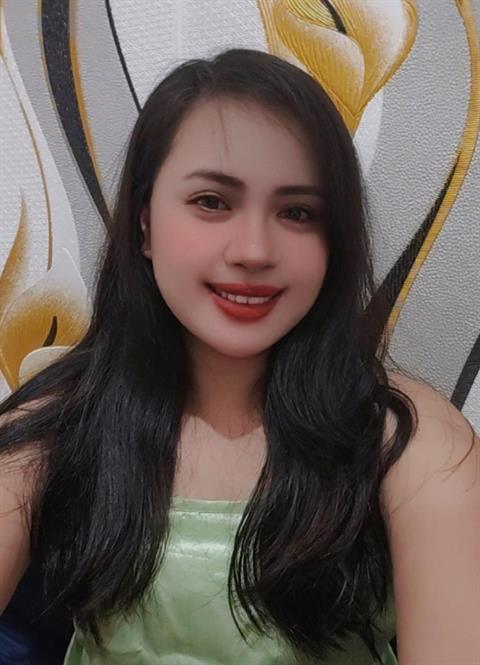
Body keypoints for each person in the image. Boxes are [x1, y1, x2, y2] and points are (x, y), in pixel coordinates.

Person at [0, 48, 478, 665]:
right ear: (144, 224)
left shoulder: (412, 441)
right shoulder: (57, 422)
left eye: (298, 213)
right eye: (212, 202)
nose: (253, 250)